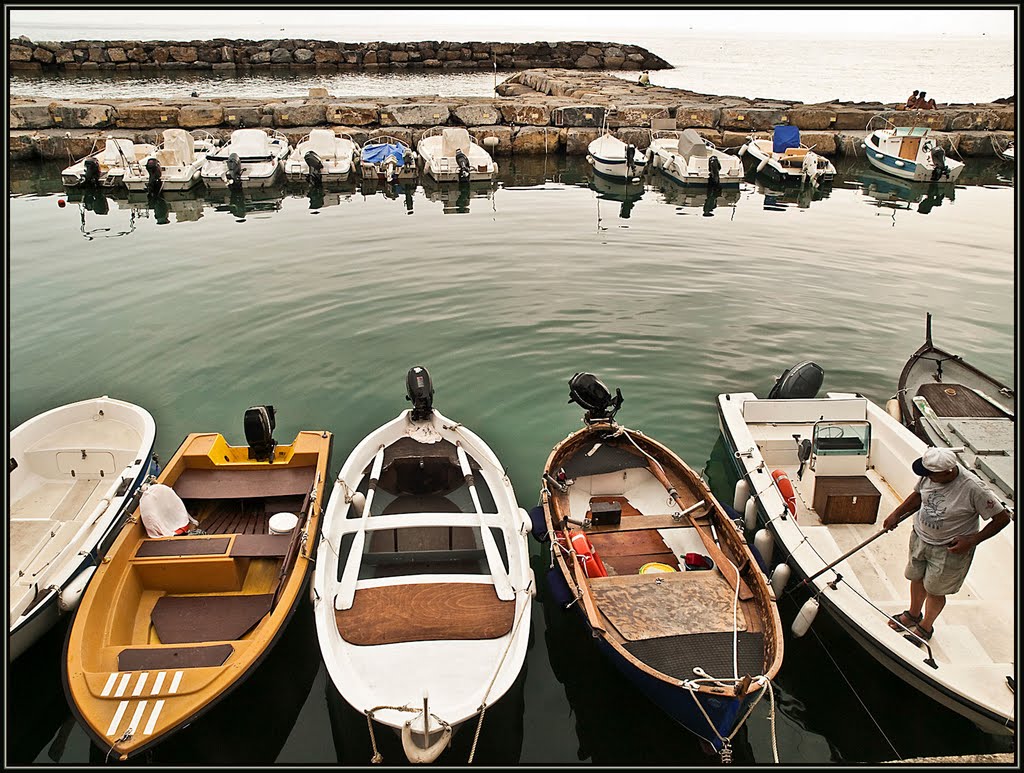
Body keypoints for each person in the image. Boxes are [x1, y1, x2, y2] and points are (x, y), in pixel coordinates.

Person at [882, 447, 1011, 645]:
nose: (927, 477)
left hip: (948, 548)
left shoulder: (973, 488)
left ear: (948, 471)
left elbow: (1002, 518)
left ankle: (925, 627)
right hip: (921, 537)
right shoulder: (930, 474)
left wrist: (972, 540)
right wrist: (896, 514)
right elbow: (918, 495)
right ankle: (913, 614)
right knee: (916, 578)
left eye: (932, 475)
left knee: (935, 589)